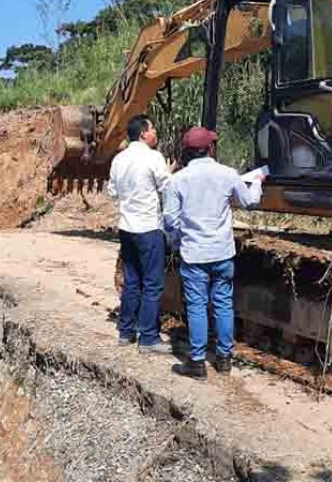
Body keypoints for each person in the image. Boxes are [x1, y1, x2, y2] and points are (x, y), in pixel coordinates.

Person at [163, 127, 263, 380]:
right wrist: (258, 183)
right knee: (223, 304)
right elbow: (250, 202)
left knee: (197, 306)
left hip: (194, 254)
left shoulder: (177, 180)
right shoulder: (228, 174)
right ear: (210, 149)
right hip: (222, 253)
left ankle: (196, 363)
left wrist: (176, 243)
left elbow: (171, 221)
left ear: (187, 152)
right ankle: (224, 359)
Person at [107, 114, 172, 354]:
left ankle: (126, 332)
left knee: (132, 281)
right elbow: (167, 187)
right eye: (153, 128)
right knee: (152, 284)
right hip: (148, 228)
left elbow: (112, 192)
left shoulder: (119, 159)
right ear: (144, 133)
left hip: (127, 228)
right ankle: (148, 338)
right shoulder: (153, 157)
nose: (155, 132)